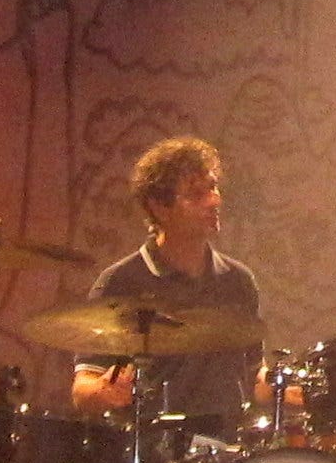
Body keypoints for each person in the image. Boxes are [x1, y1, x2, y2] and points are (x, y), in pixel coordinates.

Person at [72, 137, 268, 434]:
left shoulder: (238, 280)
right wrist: (104, 391)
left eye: (213, 187)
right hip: (155, 447)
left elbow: (255, 377)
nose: (214, 201)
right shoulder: (121, 281)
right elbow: (82, 390)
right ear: (159, 207)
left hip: (228, 446)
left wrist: (289, 389)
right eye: (196, 194)